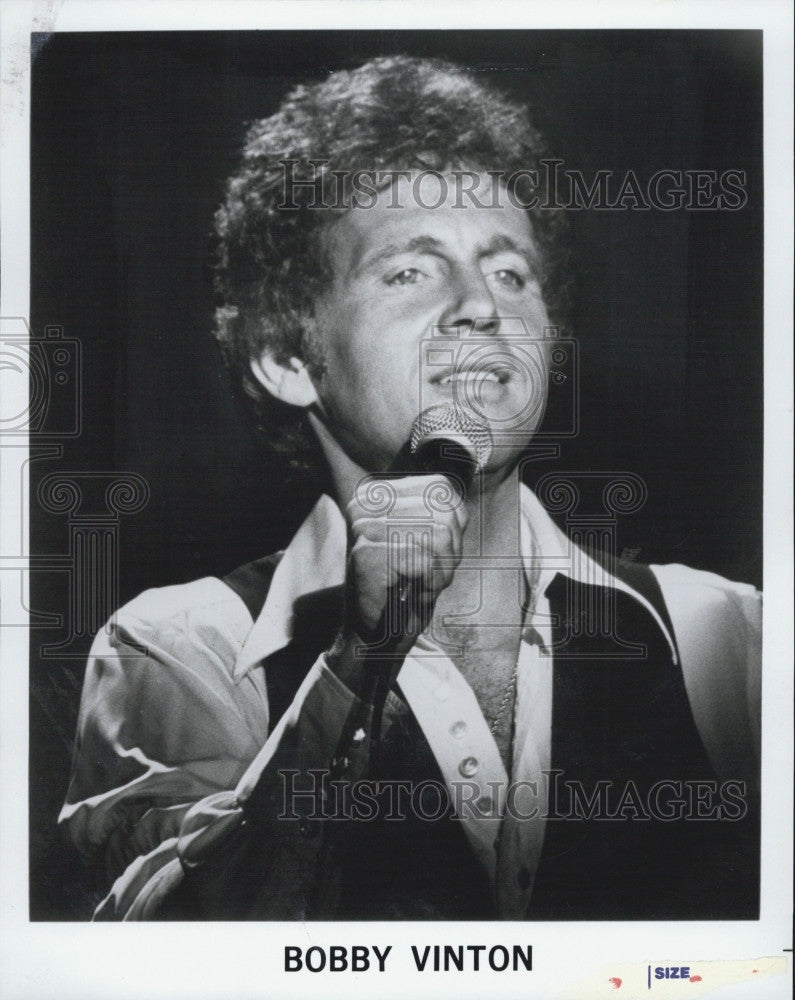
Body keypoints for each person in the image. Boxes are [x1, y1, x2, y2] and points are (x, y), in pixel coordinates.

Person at [59, 55, 761, 921]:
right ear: (285, 359)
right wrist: (358, 667)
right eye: (409, 272)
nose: (480, 306)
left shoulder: (729, 639)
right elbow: (165, 966)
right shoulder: (177, 651)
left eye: (510, 273)